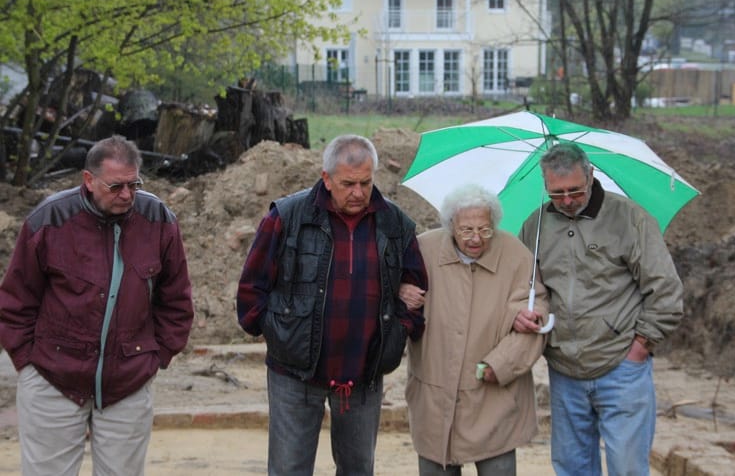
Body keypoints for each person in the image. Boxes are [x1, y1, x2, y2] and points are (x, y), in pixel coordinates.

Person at [0, 135, 194, 475]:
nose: (126, 195)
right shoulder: (50, 220)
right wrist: (27, 363)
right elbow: (16, 300)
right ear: (88, 180)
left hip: (128, 382)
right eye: (115, 186)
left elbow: (176, 300)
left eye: (134, 185)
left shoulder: (159, 221)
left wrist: (155, 357)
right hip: (52, 378)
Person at [236, 133, 427, 475]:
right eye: (348, 183)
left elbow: (416, 288)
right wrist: (280, 335)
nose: (358, 192)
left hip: (363, 373)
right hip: (295, 374)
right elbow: (252, 291)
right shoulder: (287, 217)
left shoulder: (395, 224)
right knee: (289, 468)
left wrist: (396, 333)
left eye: (365, 183)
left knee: (358, 468)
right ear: (326, 178)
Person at [514, 142, 684, 476]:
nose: (565, 200)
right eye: (556, 193)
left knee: (627, 468)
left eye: (574, 191)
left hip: (621, 367)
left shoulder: (629, 218)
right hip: (564, 370)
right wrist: (523, 310)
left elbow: (665, 289)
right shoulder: (535, 226)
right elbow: (523, 288)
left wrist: (640, 346)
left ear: (591, 175)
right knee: (571, 467)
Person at [399, 183, 549, 475]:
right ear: (450, 225)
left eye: (485, 229)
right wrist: (402, 289)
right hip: (434, 396)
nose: (477, 238)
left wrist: (500, 364)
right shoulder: (424, 249)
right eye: (467, 230)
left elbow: (537, 313)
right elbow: (391, 287)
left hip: (494, 398)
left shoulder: (516, 255)